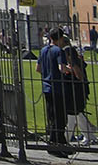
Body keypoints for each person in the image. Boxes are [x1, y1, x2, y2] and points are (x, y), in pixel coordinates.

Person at [41, 28, 72, 157]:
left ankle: (61, 143)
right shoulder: (59, 51)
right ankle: (54, 145)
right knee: (60, 118)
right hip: (57, 87)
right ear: (60, 38)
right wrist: (69, 69)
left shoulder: (43, 50)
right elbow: (62, 68)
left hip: (46, 86)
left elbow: (38, 68)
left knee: (52, 117)